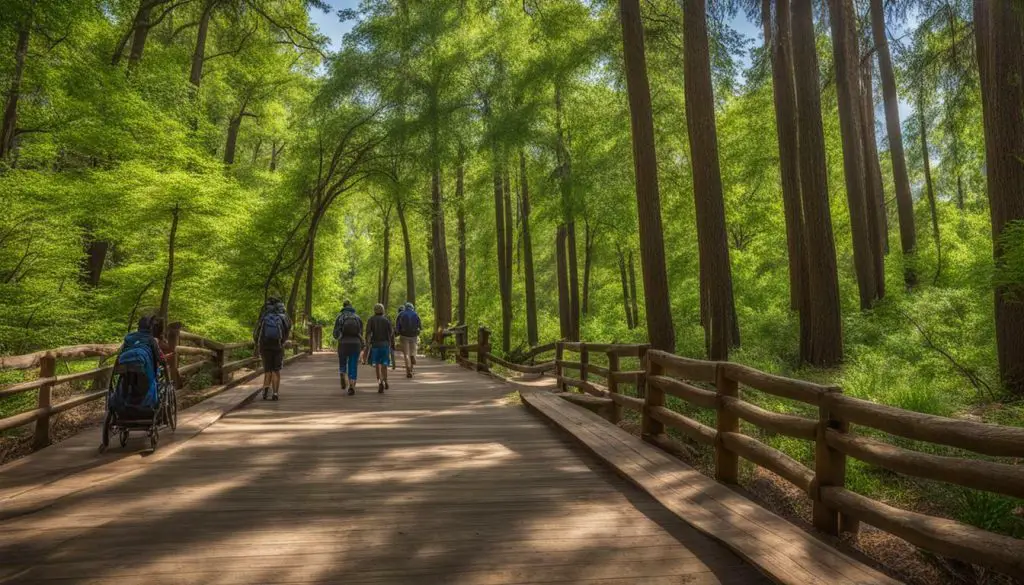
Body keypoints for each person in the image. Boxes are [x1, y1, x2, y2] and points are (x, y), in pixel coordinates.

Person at [253, 296, 291, 401]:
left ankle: (265, 389)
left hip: (264, 346)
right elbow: (288, 328)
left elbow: (256, 332)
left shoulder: (264, 315)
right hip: (278, 346)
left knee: (267, 370)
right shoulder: (282, 316)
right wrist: (283, 342)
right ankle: (275, 393)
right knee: (276, 370)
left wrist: (257, 344)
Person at [332, 300, 363, 395]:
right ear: (351, 306)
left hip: (343, 343)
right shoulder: (357, 317)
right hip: (355, 343)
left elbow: (335, 333)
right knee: (353, 364)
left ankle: (342, 372)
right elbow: (361, 332)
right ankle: (352, 385)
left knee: (343, 361)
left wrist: (339, 337)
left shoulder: (340, 317)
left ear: (343, 306)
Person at [365, 303, 394, 393]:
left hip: (375, 345)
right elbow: (391, 332)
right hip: (385, 345)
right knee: (384, 365)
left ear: (375, 310)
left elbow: (368, 333)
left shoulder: (371, 320)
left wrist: (368, 343)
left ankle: (379, 382)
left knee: (377, 365)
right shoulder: (386, 320)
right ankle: (385, 380)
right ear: (383, 310)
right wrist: (390, 341)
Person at [395, 302, 421, 378]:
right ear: (412, 307)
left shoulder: (401, 314)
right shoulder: (415, 314)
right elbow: (420, 326)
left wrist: (398, 333)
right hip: (414, 336)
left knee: (406, 354)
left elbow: (397, 327)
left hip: (404, 336)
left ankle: (408, 371)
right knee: (413, 351)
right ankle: (412, 360)